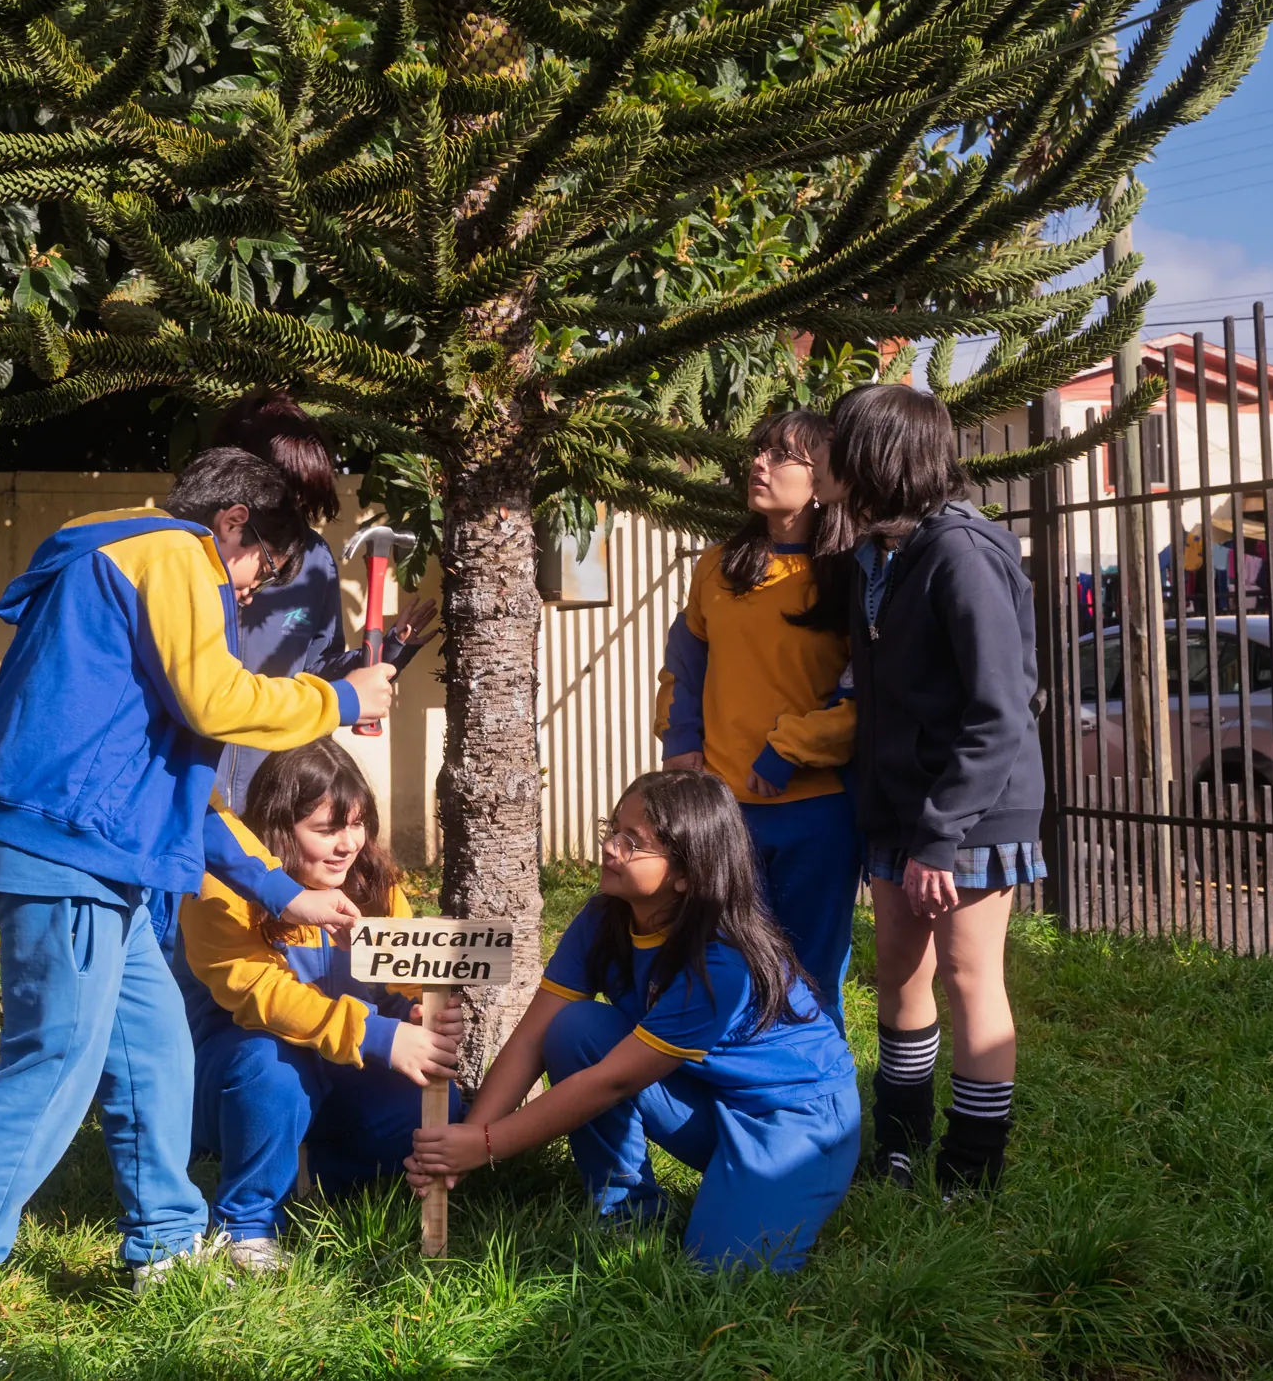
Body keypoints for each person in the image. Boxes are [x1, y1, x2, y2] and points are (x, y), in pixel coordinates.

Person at [0, 448, 402, 1372]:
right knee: (53, 1067)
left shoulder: (126, 562)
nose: (253, 591)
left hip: (94, 847)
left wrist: (282, 890)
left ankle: (165, 1247)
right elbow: (219, 702)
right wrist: (339, 696)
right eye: (263, 566)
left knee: (155, 1053)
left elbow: (177, 790)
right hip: (66, 848)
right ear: (232, 522)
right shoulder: (172, 554)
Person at [405, 771, 859, 1273]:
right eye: (612, 829)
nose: (609, 847)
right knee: (575, 1027)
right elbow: (533, 1037)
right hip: (706, 1095)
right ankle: (625, 1215)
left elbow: (612, 1081)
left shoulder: (722, 964)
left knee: (722, 1275)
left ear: (686, 872)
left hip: (794, 1117)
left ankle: (784, 1185)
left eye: (632, 842)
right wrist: (464, 1145)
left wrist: (487, 1146)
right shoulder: (604, 918)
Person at [814, 383, 1042, 1196]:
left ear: (877, 456)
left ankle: (971, 1168)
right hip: (899, 806)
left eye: (836, 442)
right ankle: (900, 1148)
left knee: (968, 975)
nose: (821, 457)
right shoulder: (875, 554)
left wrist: (941, 835)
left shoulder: (962, 553)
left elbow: (1000, 709)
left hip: (971, 808)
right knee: (899, 972)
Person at [177, 740, 464, 1272]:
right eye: (327, 829)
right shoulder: (220, 889)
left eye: (357, 824)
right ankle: (248, 1224)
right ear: (279, 829)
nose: (347, 844)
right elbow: (262, 994)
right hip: (240, 1078)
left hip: (340, 1066)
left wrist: (413, 1010)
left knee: (440, 1106)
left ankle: (313, 1172)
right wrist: (380, 1036)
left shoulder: (374, 881)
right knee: (273, 1066)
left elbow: (401, 970)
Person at [657, 409, 859, 1029]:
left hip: (817, 810)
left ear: (822, 474)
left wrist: (788, 751)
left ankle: (816, 1083)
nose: (759, 464)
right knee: (724, 966)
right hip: (723, 807)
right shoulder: (717, 564)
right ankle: (727, 1078)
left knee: (810, 973)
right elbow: (685, 661)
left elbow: (865, 694)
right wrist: (680, 740)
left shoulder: (852, 573)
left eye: (781, 455)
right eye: (759, 450)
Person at [212, 389, 437, 813]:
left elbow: (317, 668)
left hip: (275, 790)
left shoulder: (314, 559)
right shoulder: (180, 554)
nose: (291, 515)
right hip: (191, 788)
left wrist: (388, 651)